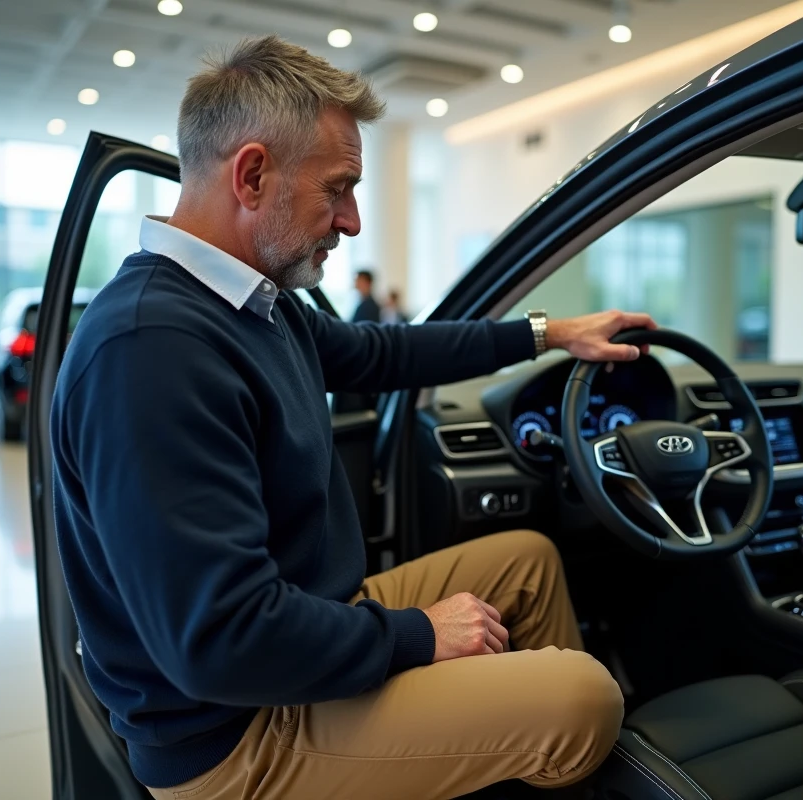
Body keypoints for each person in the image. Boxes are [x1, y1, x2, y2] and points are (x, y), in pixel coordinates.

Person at [50, 35, 656, 800]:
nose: (353, 221)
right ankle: (537, 745)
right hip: (239, 734)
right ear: (253, 174)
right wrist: (421, 637)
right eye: (338, 188)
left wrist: (550, 334)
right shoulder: (152, 349)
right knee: (581, 697)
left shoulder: (258, 305)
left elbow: (381, 353)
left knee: (526, 564)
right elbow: (221, 642)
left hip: (305, 632)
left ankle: (528, 767)